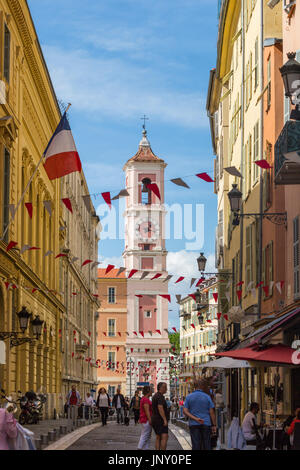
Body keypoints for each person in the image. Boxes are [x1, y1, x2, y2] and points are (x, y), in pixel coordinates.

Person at [183, 378, 216, 450]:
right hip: (206, 423)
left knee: (196, 444)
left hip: (194, 424)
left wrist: (195, 418)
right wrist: (214, 425)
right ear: (202, 386)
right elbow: (212, 412)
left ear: (194, 387)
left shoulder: (189, 397)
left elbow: (185, 411)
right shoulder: (207, 397)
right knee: (207, 444)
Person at [151, 382, 169, 450]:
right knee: (164, 437)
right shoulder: (160, 397)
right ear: (161, 388)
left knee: (158, 437)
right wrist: (164, 419)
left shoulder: (155, 395)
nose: (166, 389)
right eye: (165, 387)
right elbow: (160, 408)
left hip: (155, 419)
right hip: (160, 420)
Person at [138, 385, 153, 450]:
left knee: (147, 436)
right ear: (148, 391)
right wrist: (150, 420)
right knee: (145, 435)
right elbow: (147, 411)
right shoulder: (146, 400)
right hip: (146, 419)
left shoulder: (143, 399)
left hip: (144, 419)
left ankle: (146, 448)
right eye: (151, 390)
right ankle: (139, 448)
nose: (152, 392)